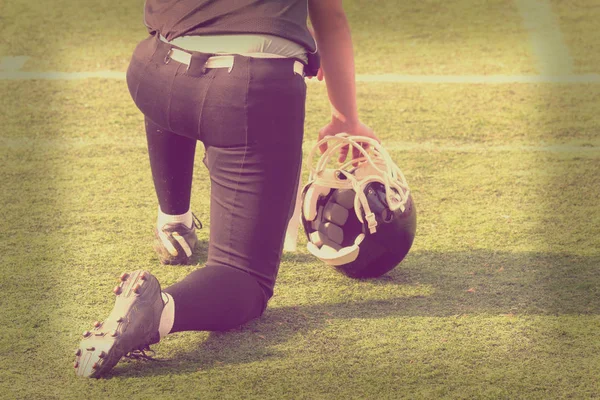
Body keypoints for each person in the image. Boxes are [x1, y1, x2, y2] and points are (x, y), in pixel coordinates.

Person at [74, 0, 379, 378]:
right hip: (246, 92)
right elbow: (330, 17)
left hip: (155, 75)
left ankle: (174, 221)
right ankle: (160, 308)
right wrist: (345, 118)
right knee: (244, 278)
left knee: (176, 57)